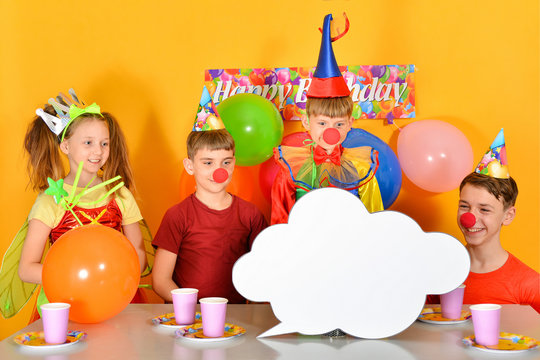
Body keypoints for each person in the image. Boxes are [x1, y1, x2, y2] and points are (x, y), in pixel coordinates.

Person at [0, 90, 149, 319]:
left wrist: (115, 275)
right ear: (66, 146)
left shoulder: (119, 194)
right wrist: (74, 275)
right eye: (88, 142)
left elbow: (139, 254)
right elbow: (27, 269)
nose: (98, 151)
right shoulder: (51, 200)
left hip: (117, 303)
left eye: (104, 143)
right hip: (65, 307)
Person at [152, 87, 267, 304]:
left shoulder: (250, 214)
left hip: (237, 319)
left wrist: (255, 315)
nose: (219, 171)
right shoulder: (177, 216)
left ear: (234, 163)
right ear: (189, 166)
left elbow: (263, 270)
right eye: (207, 163)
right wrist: (190, 310)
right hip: (188, 320)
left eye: (226, 162)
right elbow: (160, 280)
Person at [271, 14, 383, 225]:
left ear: (350, 124)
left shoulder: (362, 169)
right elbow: (279, 224)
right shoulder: (289, 170)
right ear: (306, 123)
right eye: (322, 123)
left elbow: (375, 222)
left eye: (338, 124)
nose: (330, 132)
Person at [430, 129, 539, 313]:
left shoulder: (529, 284)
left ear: (508, 215)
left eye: (484, 209)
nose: (470, 219)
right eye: (464, 206)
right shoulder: (439, 273)